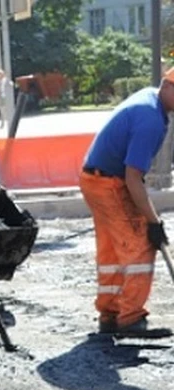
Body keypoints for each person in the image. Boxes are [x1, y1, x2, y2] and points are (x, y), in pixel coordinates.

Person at [80, 68, 174, 339]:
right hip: (110, 183)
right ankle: (130, 318)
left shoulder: (148, 98)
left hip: (93, 178)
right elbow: (134, 178)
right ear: (168, 86)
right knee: (140, 245)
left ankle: (109, 313)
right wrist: (153, 223)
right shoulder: (150, 121)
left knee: (111, 249)